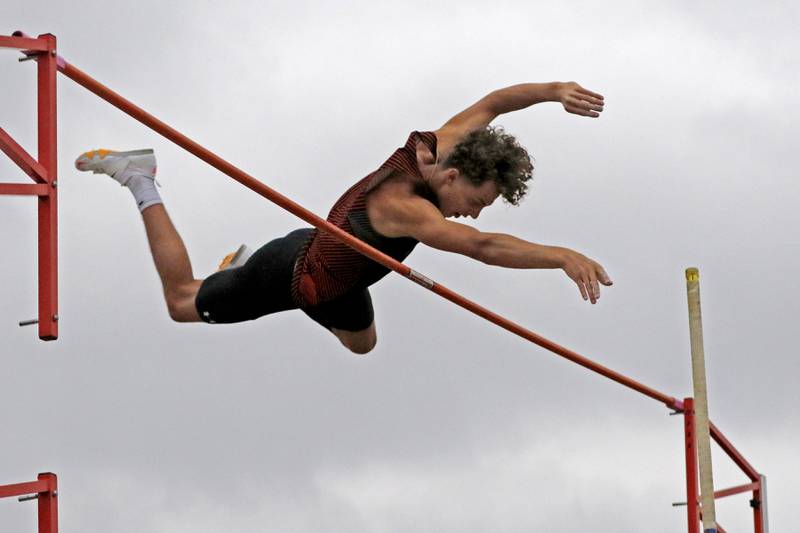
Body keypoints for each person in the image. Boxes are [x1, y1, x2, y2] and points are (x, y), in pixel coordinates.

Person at [75, 81, 612, 354]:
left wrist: (552, 92)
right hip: (289, 272)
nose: (474, 212)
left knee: (363, 345)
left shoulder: (443, 147)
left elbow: (493, 103)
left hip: (335, 273)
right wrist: (561, 256)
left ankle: (233, 271)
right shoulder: (405, 206)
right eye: (478, 200)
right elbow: (482, 246)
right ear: (451, 177)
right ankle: (140, 179)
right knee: (180, 303)